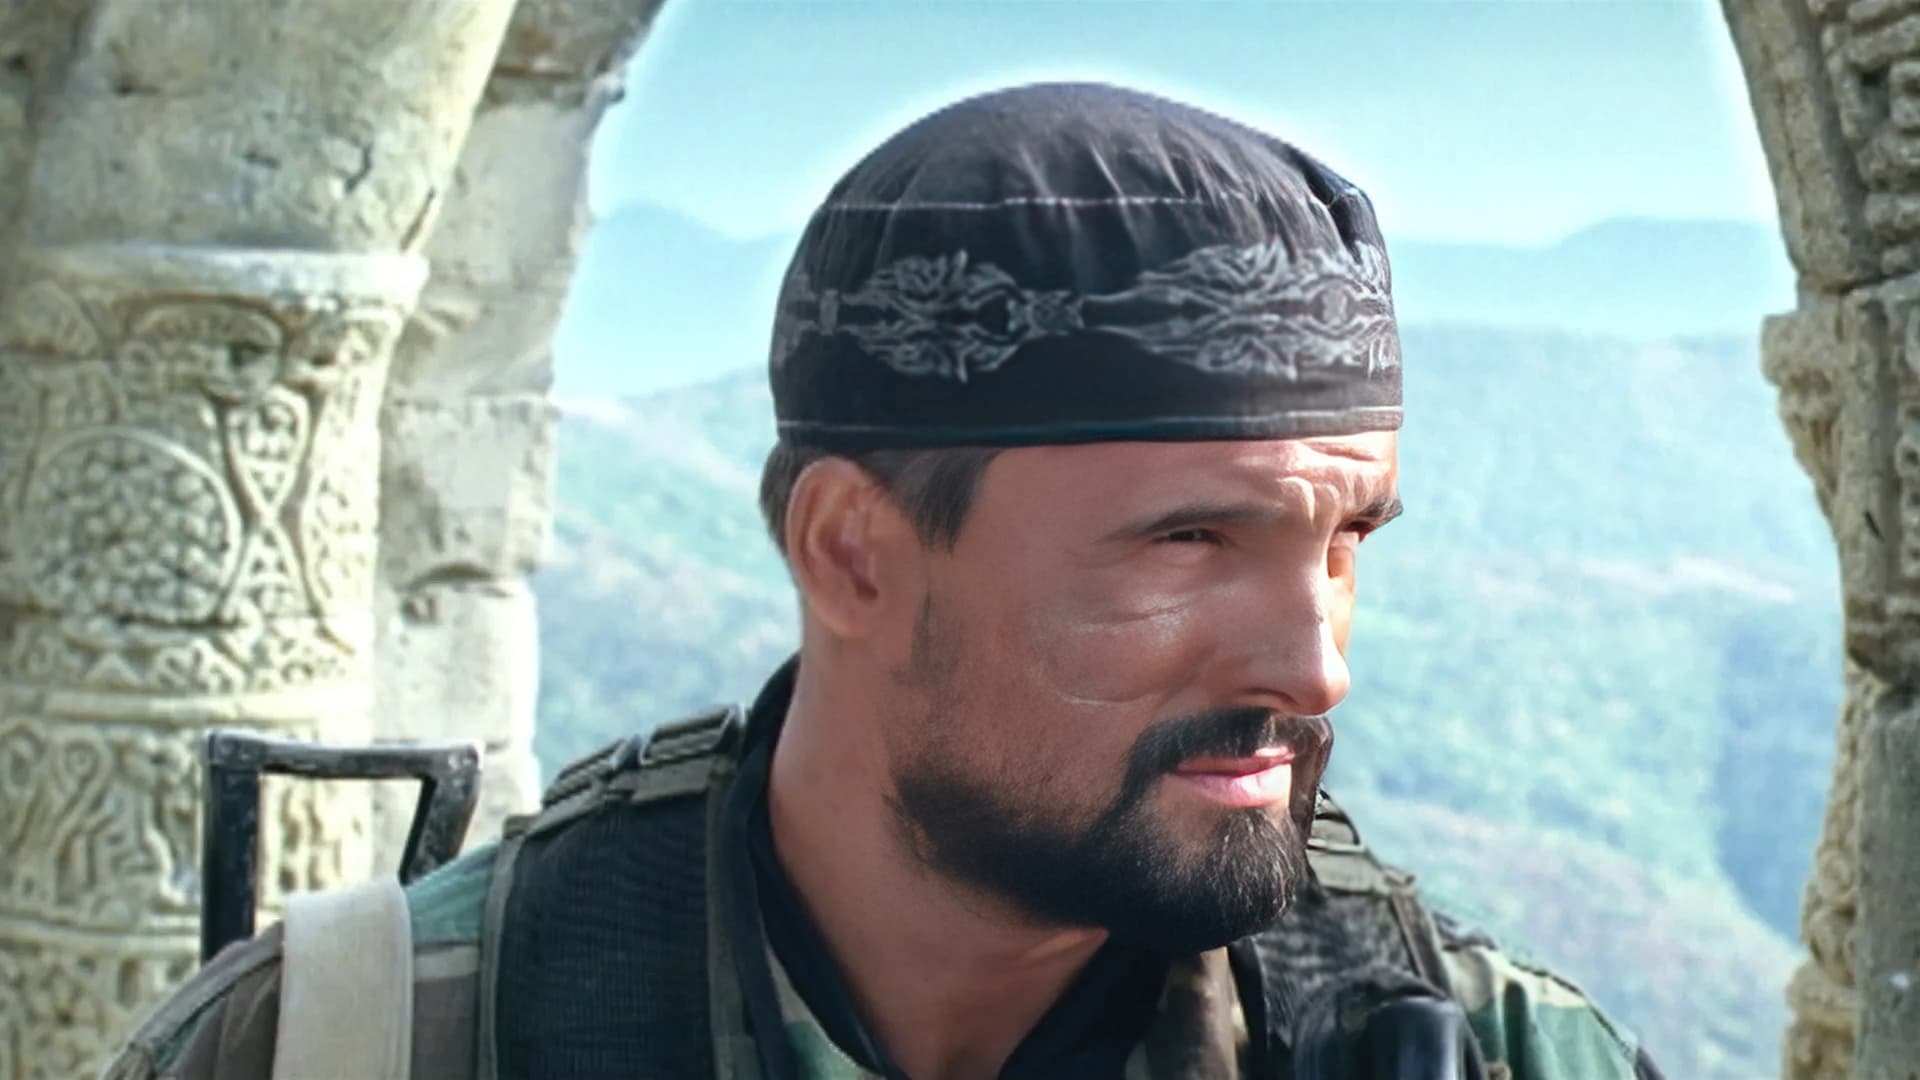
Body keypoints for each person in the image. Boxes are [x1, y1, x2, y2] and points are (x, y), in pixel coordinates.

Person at [104, 82, 1663, 1080]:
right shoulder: (367, 1042)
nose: (1316, 668)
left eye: (1344, 544)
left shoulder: (1486, 1047)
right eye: (1189, 543)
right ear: (854, 550)